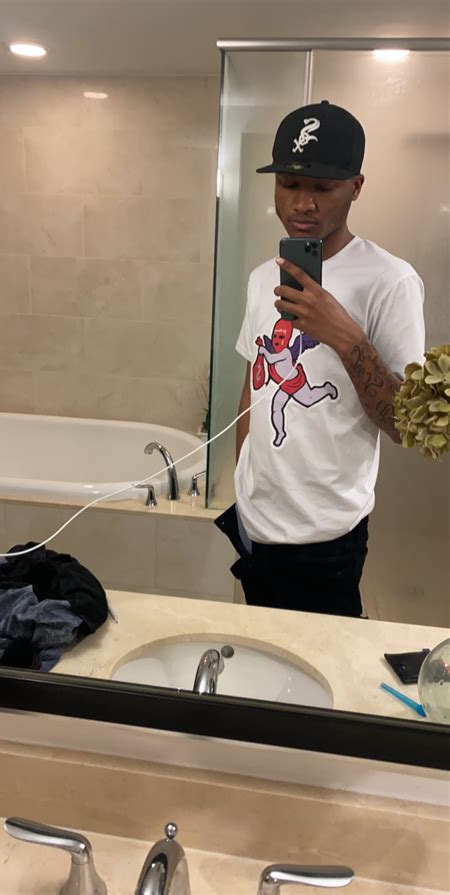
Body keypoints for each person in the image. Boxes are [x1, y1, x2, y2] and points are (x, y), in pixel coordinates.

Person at [216, 100, 425, 618]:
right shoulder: (263, 278)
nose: (302, 203)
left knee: (319, 666)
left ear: (355, 187)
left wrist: (347, 338)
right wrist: (243, 480)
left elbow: (405, 425)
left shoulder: (390, 280)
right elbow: (253, 387)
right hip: (256, 518)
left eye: (322, 188)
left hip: (325, 533)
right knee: (263, 652)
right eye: (289, 184)